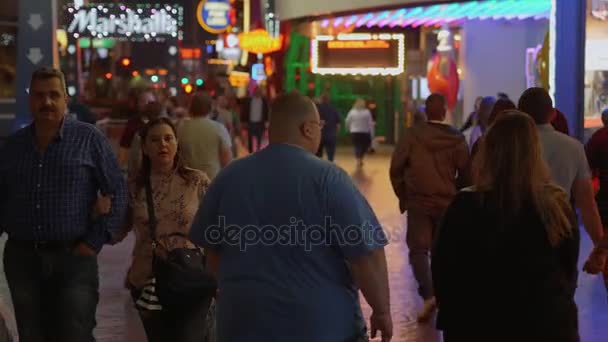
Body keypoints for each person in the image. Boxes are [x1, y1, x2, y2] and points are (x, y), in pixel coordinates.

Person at [189, 91, 393, 342]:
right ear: (308, 129)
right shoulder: (330, 179)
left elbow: (212, 254)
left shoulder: (229, 177)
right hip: (322, 326)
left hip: (243, 325)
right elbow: (367, 254)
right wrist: (381, 310)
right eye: (319, 126)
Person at [0, 67, 128, 341]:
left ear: (65, 100)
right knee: (32, 335)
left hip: (73, 258)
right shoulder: (12, 147)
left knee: (75, 333)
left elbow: (117, 191)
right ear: (30, 99)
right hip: (23, 260)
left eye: (53, 95)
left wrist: (93, 242)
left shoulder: (88, 139)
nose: (46, 102)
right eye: (39, 95)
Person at [432, 112, 579, 341]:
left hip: (476, 323)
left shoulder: (464, 206)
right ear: (535, 154)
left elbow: (444, 270)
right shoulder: (555, 206)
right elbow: (568, 269)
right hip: (545, 323)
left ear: (487, 153)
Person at [114, 117, 213, 342]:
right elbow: (118, 230)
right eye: (155, 140)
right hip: (149, 278)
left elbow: (218, 229)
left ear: (177, 143)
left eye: (168, 138)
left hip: (190, 274)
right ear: (145, 148)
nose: (163, 145)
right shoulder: (135, 187)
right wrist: (100, 213)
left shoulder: (197, 181)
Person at [389, 93, 470, 322]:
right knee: (442, 250)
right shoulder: (456, 138)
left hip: (419, 201)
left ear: (426, 110)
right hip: (446, 201)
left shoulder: (412, 136)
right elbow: (466, 172)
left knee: (418, 249)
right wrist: (458, 196)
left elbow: (396, 167)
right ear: (444, 111)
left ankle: (429, 293)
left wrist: (404, 194)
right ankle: (445, 295)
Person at [518, 87, 603, 246]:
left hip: (517, 230)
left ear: (519, 113)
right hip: (562, 229)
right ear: (553, 114)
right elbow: (586, 203)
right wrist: (599, 247)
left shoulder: (510, 145)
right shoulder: (573, 147)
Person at [177, 92, 233, 179]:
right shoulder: (218, 128)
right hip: (212, 180)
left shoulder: (180, 127)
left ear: (190, 107)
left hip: (187, 180)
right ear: (210, 108)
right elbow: (227, 161)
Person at [346, 98, 374, 166]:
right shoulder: (367, 112)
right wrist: (372, 132)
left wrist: (348, 128)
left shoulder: (352, 112)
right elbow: (370, 123)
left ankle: (358, 159)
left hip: (354, 132)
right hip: (365, 132)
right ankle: (360, 159)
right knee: (364, 146)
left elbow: (347, 121)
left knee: (357, 146)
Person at [241, 87, 269, 153]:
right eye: (256, 91)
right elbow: (245, 111)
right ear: (254, 92)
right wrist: (244, 121)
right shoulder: (249, 101)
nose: (257, 92)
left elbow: (266, 112)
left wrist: (266, 122)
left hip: (260, 122)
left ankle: (258, 151)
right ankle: (250, 152)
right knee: (250, 138)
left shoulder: (264, 101)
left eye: (259, 91)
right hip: (251, 122)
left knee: (259, 138)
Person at [315, 93, 341, 162]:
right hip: (331, 135)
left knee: (318, 156)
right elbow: (338, 124)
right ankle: (330, 167)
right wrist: (336, 133)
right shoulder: (333, 109)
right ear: (329, 100)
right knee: (331, 155)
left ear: (321, 100)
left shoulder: (317, 109)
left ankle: (318, 168)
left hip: (319, 135)